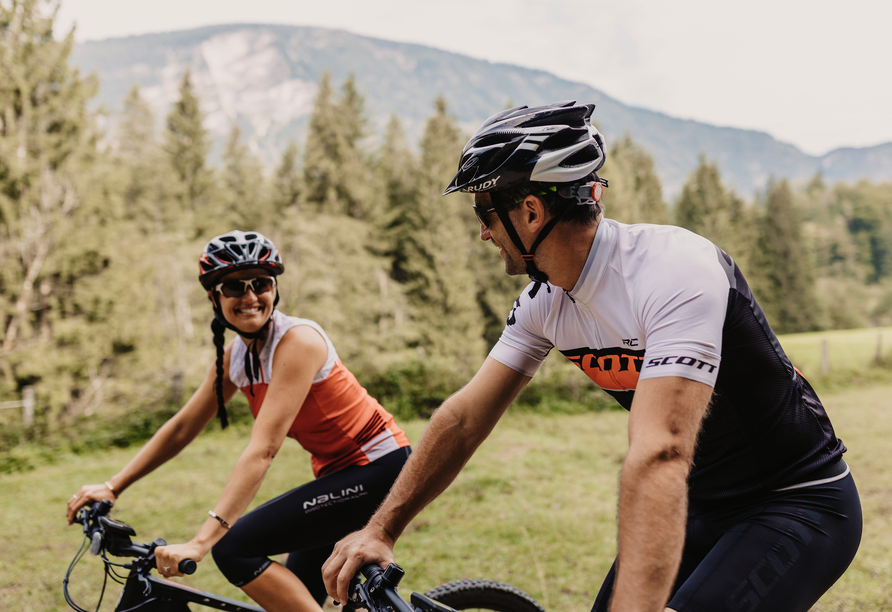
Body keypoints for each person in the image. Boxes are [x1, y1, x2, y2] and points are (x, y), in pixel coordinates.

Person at [321, 102, 862, 612]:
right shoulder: (544, 302)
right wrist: (382, 528)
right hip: (698, 505)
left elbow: (661, 453)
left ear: (530, 210)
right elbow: (463, 419)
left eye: (484, 213)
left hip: (795, 502)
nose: (483, 233)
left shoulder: (675, 270)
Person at [67, 230, 411, 612]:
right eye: (234, 287)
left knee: (234, 548)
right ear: (215, 297)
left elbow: (263, 450)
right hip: (339, 477)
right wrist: (113, 486)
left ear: (274, 287)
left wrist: (202, 541)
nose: (249, 297)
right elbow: (182, 428)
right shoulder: (237, 356)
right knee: (295, 593)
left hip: (380, 468)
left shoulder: (298, 340)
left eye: (260, 283)